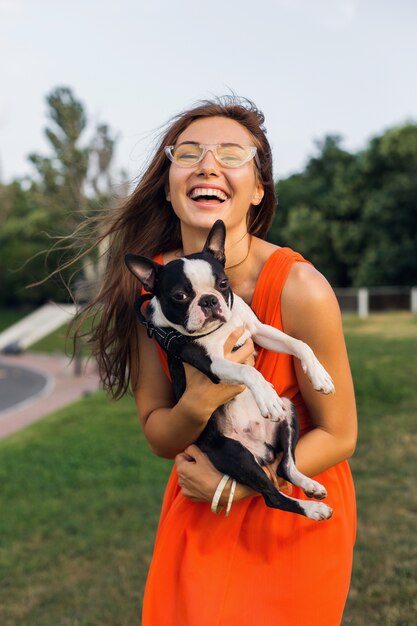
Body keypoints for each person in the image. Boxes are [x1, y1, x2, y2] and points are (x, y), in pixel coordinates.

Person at [82, 96, 357, 625]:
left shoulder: (301, 289)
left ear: (258, 189)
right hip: (199, 510)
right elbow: (160, 435)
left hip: (287, 517)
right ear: (168, 185)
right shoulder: (154, 298)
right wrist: (203, 398)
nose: (208, 163)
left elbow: (341, 434)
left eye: (232, 153)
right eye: (188, 153)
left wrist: (240, 485)